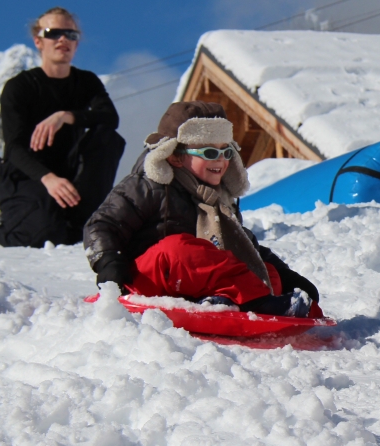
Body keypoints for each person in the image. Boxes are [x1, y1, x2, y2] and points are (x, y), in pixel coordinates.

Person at [83, 101, 319, 317]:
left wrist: (287, 276)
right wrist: (109, 265)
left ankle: (224, 301)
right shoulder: (148, 186)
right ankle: (257, 302)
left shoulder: (218, 200)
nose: (220, 160)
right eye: (209, 152)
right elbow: (102, 225)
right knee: (178, 249)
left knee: (264, 271)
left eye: (226, 152)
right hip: (144, 281)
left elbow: (243, 242)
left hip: (191, 288)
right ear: (174, 156)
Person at [0, 7, 124, 247]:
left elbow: (110, 118)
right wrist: (48, 178)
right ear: (38, 41)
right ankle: (8, 224)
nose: (63, 39)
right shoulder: (19, 87)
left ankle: (89, 217)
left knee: (108, 137)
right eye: (54, 33)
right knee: (44, 237)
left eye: (71, 35)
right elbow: (14, 148)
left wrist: (66, 116)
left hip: (71, 175)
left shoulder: (86, 82)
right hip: (29, 178)